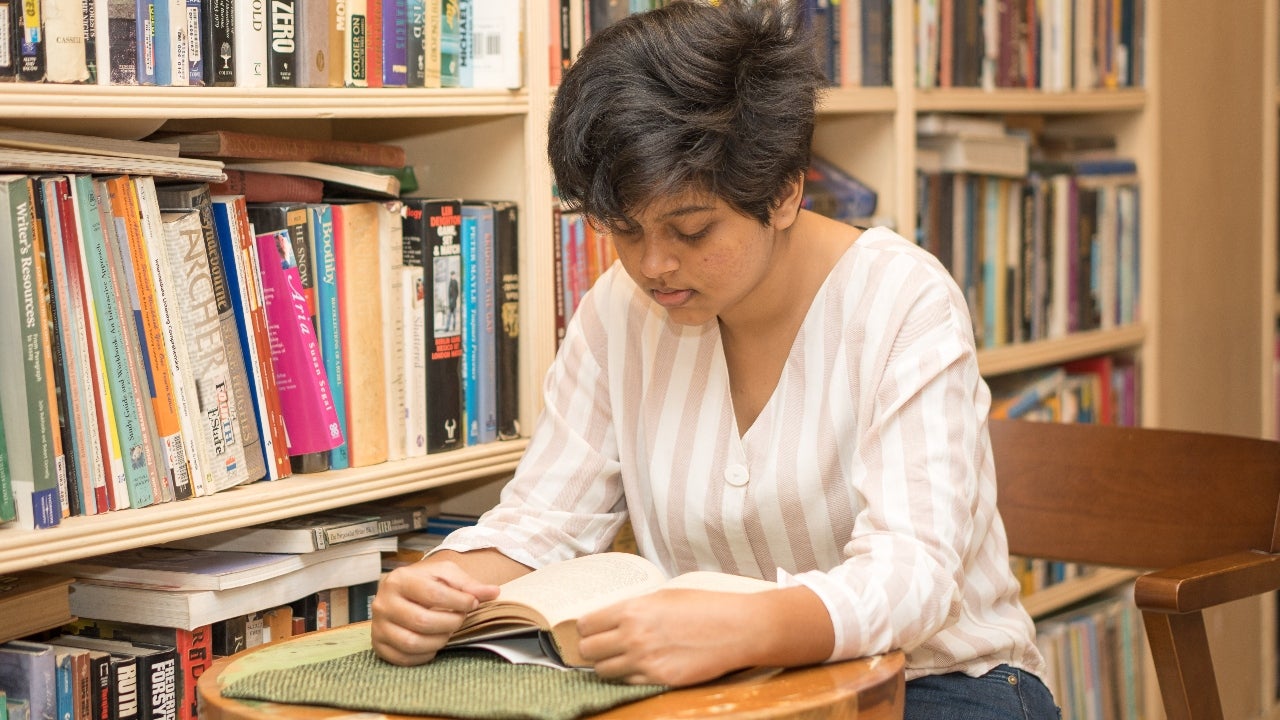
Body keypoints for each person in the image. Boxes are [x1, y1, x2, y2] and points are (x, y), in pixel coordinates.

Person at [371, 2, 1058, 717]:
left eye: (692, 230)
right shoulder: (619, 310)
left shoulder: (902, 301)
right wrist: (441, 586)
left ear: (785, 191)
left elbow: (915, 577)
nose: (653, 265)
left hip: (937, 685)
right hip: (721, 693)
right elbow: (544, 523)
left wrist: (742, 629)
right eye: (624, 232)